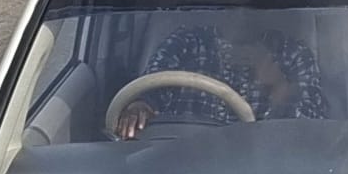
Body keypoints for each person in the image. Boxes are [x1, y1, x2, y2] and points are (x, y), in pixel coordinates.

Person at [114, 21, 327, 138]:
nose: (242, 14)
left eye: (251, 6)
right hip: (180, 164)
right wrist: (140, 106)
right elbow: (152, 87)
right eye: (235, 6)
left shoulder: (292, 53)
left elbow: (312, 135)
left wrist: (278, 84)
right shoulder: (186, 43)